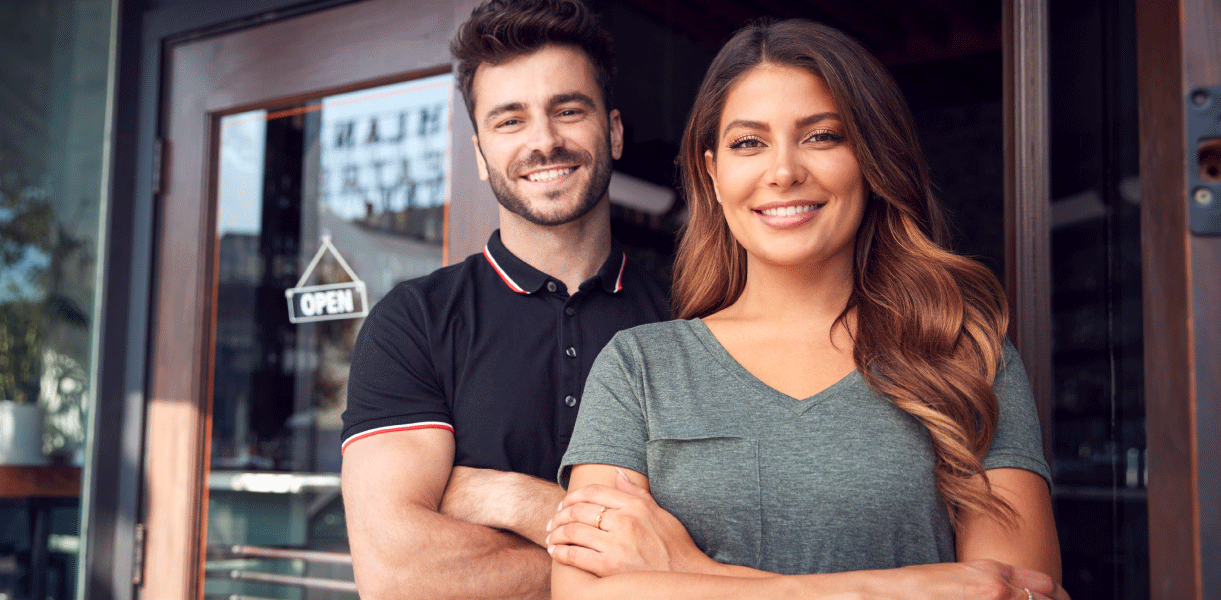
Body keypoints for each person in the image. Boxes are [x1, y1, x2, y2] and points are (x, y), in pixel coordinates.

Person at [547, 19, 1068, 600]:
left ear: (870, 159)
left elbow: (1017, 593)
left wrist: (692, 570)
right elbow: (584, 594)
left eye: (822, 136)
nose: (785, 170)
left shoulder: (966, 356)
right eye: (749, 143)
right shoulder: (639, 369)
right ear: (713, 174)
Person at [339, 1, 669, 598]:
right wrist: (644, 565)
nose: (544, 141)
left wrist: (513, 498)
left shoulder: (693, 311)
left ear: (614, 132)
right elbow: (396, 574)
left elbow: (738, 540)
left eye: (568, 110)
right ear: (479, 155)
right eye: (509, 121)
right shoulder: (415, 323)